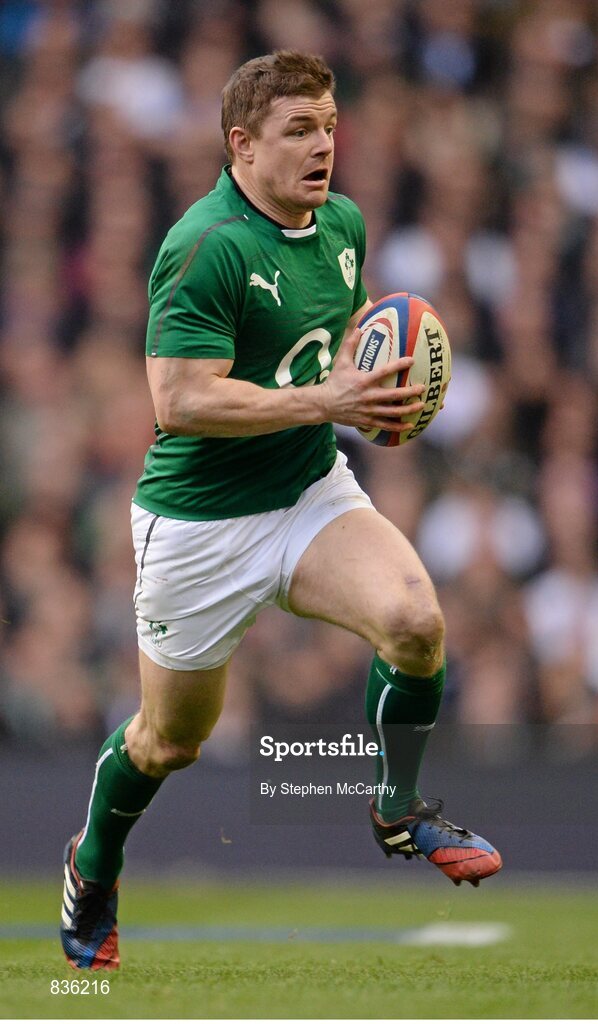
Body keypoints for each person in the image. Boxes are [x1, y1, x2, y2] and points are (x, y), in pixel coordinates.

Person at [60, 50, 501, 971]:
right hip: (199, 524)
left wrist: (369, 375)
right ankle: (92, 868)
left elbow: (325, 345)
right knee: (169, 740)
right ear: (240, 145)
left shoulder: (342, 224)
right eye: (298, 129)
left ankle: (396, 807)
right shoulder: (203, 244)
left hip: (305, 490)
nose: (323, 145)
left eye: (329, 125)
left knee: (415, 622)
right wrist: (327, 403)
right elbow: (179, 401)